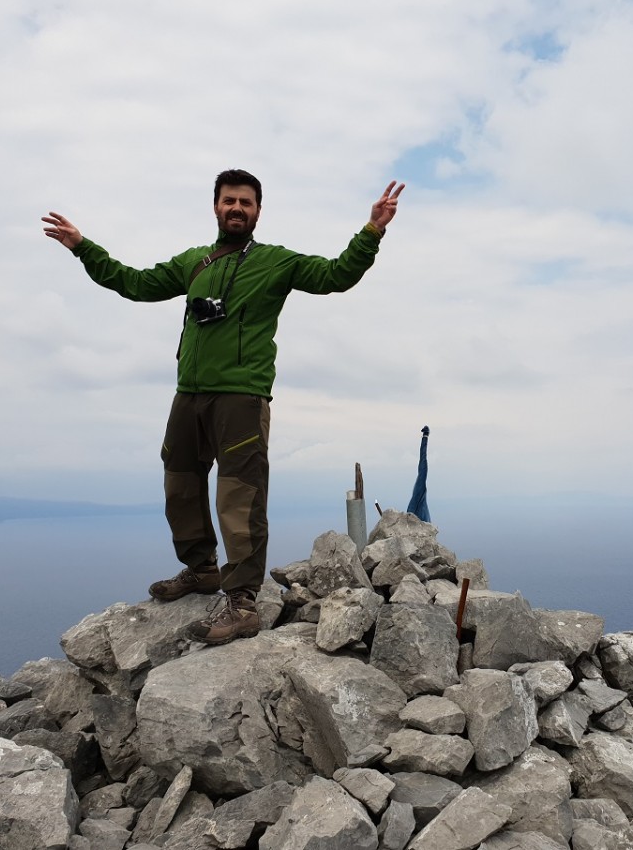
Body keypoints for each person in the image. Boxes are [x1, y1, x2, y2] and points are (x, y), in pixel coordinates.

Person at [42, 170, 404, 645]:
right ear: (216, 206)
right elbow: (134, 283)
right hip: (189, 394)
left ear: (258, 211)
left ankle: (243, 602)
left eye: (246, 203)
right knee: (180, 484)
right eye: (229, 200)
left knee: (239, 496)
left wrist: (372, 230)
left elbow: (336, 275)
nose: (237, 208)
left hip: (241, 396)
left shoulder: (276, 261)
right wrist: (82, 247)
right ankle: (202, 569)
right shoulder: (194, 262)